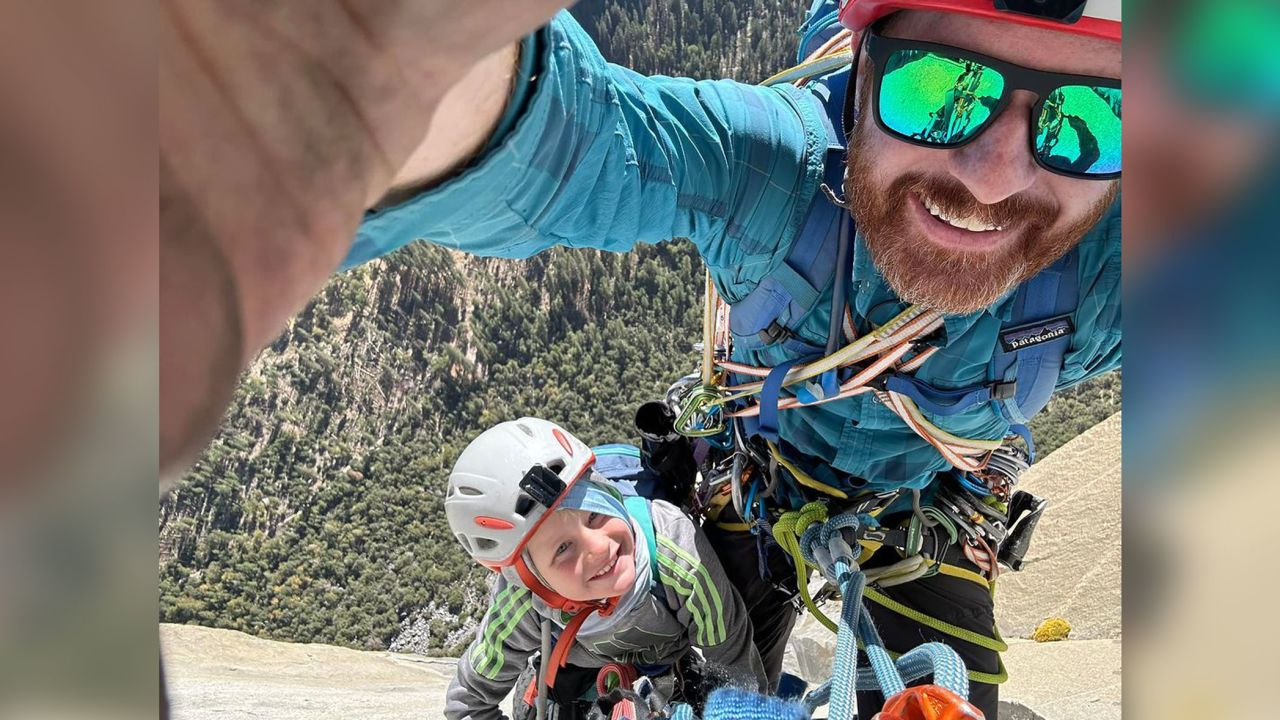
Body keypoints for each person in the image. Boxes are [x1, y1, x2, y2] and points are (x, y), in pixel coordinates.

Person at [160, 1, 1122, 716]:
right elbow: (578, 137)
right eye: (938, 90)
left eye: (1087, 120)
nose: (993, 178)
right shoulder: (777, 179)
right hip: (762, 484)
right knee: (730, 669)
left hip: (914, 510)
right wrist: (375, 78)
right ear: (861, 73)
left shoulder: (1125, 271)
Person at [443, 417, 766, 720]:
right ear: (531, 578)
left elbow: (732, 659)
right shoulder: (524, 600)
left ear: (610, 495)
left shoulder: (677, 551)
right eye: (563, 548)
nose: (598, 548)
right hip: (575, 677)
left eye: (595, 515)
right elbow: (469, 701)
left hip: (668, 670)